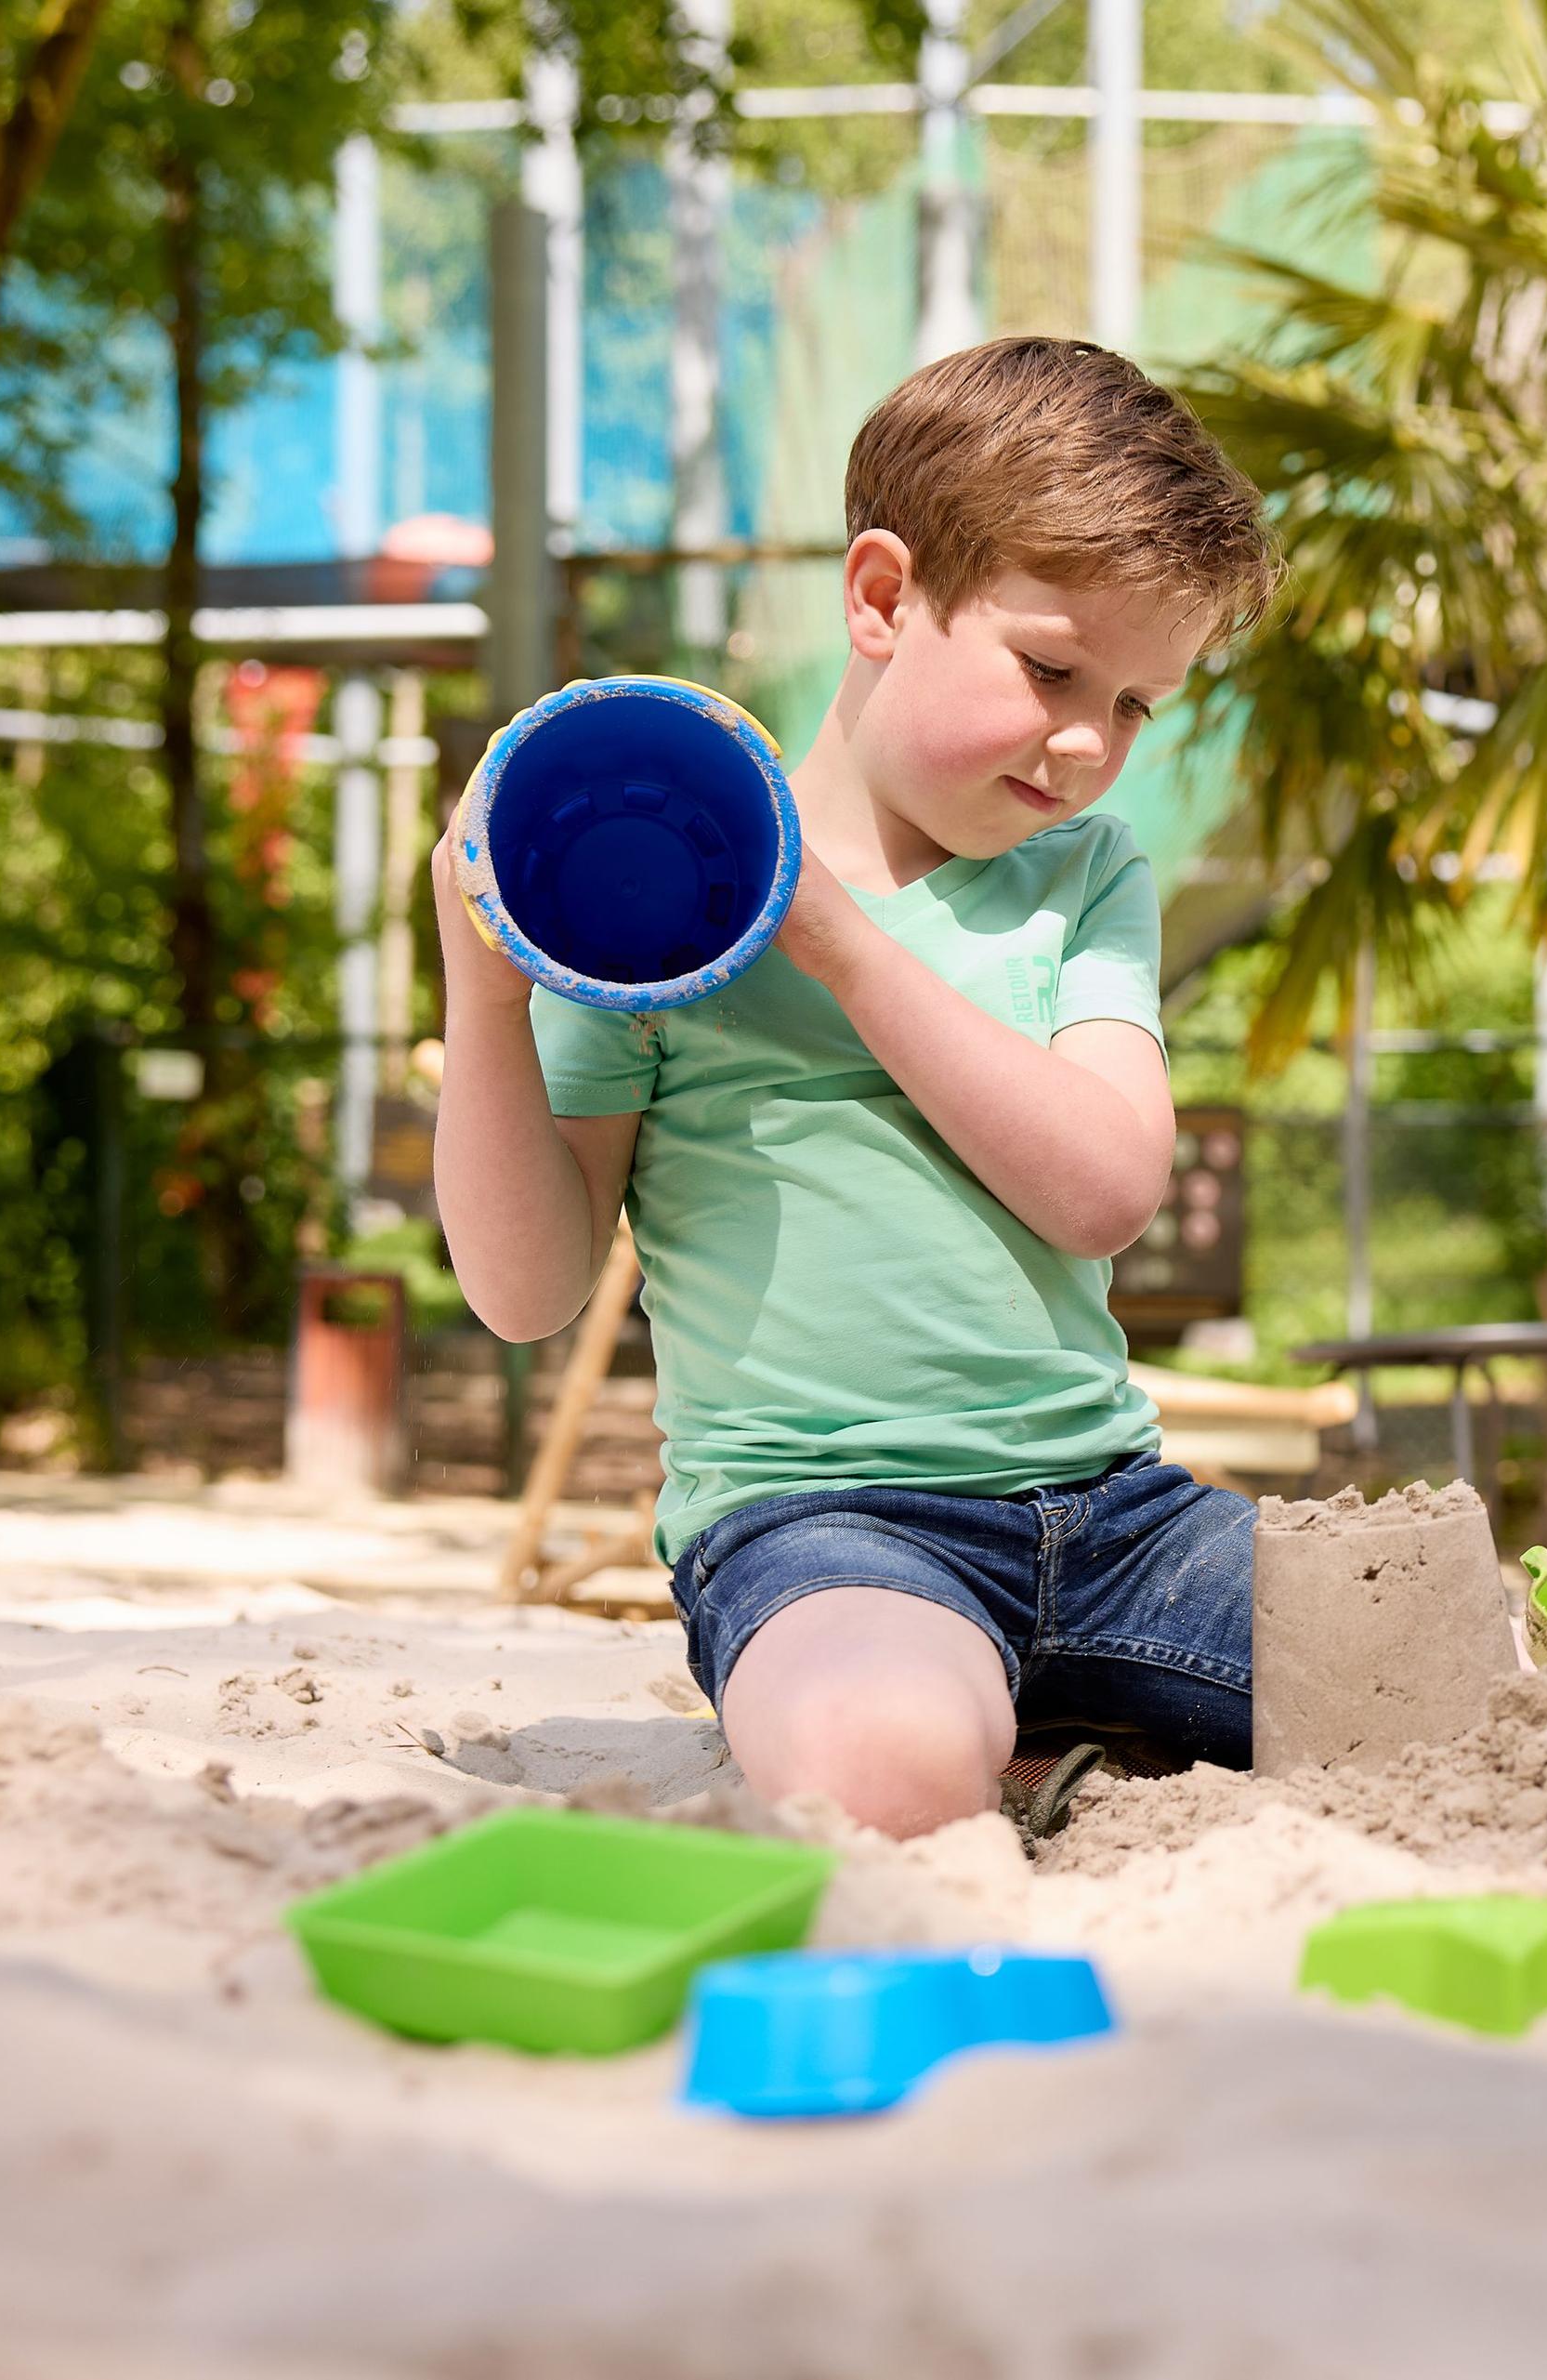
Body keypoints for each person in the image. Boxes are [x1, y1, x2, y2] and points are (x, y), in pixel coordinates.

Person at [431, 338, 1277, 1837]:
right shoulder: (679, 893)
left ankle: (1047, 1728)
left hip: (1119, 1517)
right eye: (1053, 670)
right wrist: (487, 995)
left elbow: (1101, 1191)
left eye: (1138, 703)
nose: (1091, 742)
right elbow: (527, 1289)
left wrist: (839, 943)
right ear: (884, 598)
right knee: (882, 1761)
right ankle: (1012, 1737)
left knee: (1443, 1655)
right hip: (828, 1531)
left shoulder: (1085, 877)